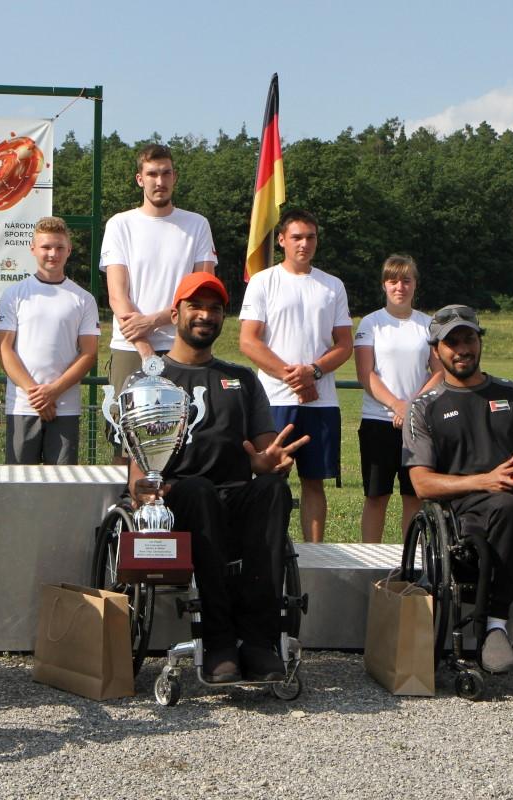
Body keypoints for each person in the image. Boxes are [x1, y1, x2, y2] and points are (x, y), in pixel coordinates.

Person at [129, 272, 308, 684]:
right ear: (175, 313)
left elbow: (264, 451)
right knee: (200, 492)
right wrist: (141, 489)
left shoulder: (241, 379)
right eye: (196, 306)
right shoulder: (148, 380)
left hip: (234, 494)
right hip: (179, 498)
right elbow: (136, 464)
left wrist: (271, 462)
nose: (205, 316)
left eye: (214, 309)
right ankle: (220, 642)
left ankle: (260, 643)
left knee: (272, 491)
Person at [402, 304, 513, 677]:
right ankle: (493, 624)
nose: (462, 349)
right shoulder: (425, 408)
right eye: (452, 343)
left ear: (480, 342)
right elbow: (421, 483)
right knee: (504, 508)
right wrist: (484, 480)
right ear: (437, 350)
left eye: (469, 339)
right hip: (466, 512)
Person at [239, 209, 353, 543]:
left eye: (310, 237)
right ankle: (267, 547)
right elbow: (248, 340)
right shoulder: (264, 281)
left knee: (314, 481)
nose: (304, 244)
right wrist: (294, 378)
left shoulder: (332, 286)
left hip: (321, 402)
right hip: (274, 400)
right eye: (297, 237)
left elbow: (344, 344)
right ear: (282, 240)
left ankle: (314, 553)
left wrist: (313, 371)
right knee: (273, 477)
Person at [100, 143, 217, 462]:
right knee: (127, 446)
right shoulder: (120, 225)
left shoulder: (197, 225)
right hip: (130, 350)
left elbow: (202, 294)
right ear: (140, 179)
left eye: (165, 173)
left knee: (185, 441)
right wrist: (145, 349)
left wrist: (153, 321)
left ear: (174, 177)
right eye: (152, 174)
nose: (159, 181)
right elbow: (117, 296)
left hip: (184, 347)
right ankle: (126, 510)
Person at [0, 217, 99, 465]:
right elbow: (3, 349)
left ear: (69, 250)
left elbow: (89, 354)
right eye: (46, 247)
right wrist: (37, 396)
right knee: (19, 486)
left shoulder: (83, 299)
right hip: (22, 405)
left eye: (59, 248)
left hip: (65, 406)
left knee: (61, 487)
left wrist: (53, 391)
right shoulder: (14, 294)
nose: (53, 254)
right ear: (33, 249)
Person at [354, 255, 442, 543]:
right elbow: (365, 374)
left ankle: (410, 563)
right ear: (384, 285)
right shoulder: (370, 323)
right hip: (378, 421)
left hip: (418, 425)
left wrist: (412, 408)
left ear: (415, 284)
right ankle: (369, 560)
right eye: (393, 281)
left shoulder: (429, 325)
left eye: (406, 280)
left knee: (413, 496)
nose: (400, 287)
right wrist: (396, 404)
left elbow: (439, 373)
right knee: (376, 495)